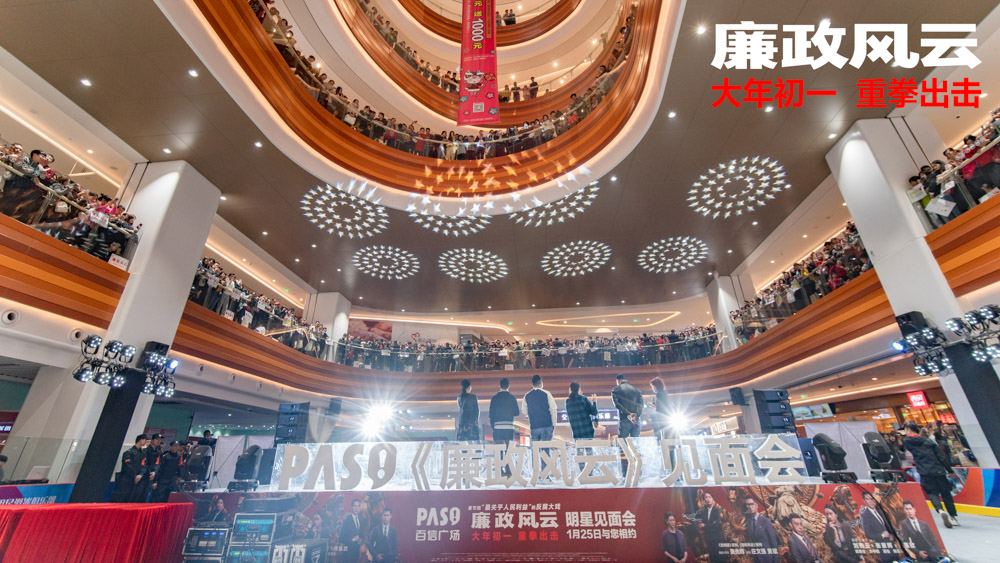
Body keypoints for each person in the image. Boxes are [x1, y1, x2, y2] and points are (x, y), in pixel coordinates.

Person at [903, 420, 958, 528]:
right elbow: (940, 456)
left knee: (931, 492)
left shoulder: (908, 442)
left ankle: (940, 510)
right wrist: (950, 470)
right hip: (938, 470)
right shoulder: (928, 441)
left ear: (909, 430)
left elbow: (909, 440)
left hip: (924, 471)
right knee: (946, 493)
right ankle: (953, 517)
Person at [522, 374, 557, 473]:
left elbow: (524, 411)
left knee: (535, 451)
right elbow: (553, 409)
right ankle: (545, 474)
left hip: (534, 426)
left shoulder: (527, 395)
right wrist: (554, 424)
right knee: (545, 451)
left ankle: (536, 474)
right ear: (541, 383)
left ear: (532, 384)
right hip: (546, 425)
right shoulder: (546, 394)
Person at [859, 491, 897, 562]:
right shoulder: (865, 515)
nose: (871, 501)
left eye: (872, 499)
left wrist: (892, 535)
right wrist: (882, 535)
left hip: (892, 545)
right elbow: (868, 534)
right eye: (867, 499)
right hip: (883, 548)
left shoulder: (880, 511)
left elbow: (888, 526)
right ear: (864, 501)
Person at [111, 434, 148, 502]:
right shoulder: (129, 452)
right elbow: (127, 466)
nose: (146, 442)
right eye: (145, 440)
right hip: (126, 479)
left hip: (137, 480)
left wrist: (141, 474)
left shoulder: (143, 454)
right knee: (120, 497)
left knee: (131, 498)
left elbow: (144, 465)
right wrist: (135, 475)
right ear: (141, 440)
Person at [744, 497, 780, 563]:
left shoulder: (765, 521)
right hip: (756, 559)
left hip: (768, 559)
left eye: (752, 504)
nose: (750, 507)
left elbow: (774, 543)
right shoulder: (749, 522)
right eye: (748, 505)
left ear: (756, 506)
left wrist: (776, 560)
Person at [696, 491, 725, 562]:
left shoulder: (716, 511)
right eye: (706, 497)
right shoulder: (703, 511)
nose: (708, 499)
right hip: (708, 539)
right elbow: (700, 524)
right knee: (712, 559)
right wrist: (711, 524)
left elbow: (716, 526)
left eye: (710, 497)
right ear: (704, 500)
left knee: (719, 559)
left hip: (717, 539)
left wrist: (705, 525)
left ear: (712, 499)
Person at [139, 433, 163, 502]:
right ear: (152, 440)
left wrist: (154, 473)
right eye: (157, 439)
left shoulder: (158, 452)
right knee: (139, 494)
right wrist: (149, 472)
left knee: (146, 495)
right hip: (144, 475)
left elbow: (158, 464)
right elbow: (144, 463)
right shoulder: (146, 450)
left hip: (152, 477)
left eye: (160, 440)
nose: (159, 441)